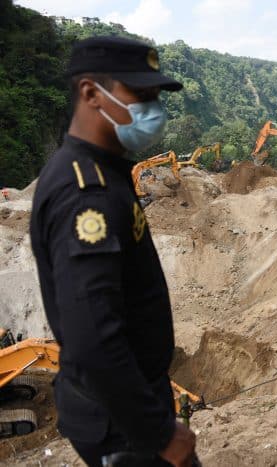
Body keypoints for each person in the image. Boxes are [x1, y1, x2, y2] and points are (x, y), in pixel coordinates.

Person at [29, 37, 196, 467]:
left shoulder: (104, 173)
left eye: (155, 97)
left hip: (124, 406)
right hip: (121, 425)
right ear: (90, 93)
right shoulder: (87, 193)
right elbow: (92, 336)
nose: (152, 109)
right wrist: (157, 433)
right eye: (140, 96)